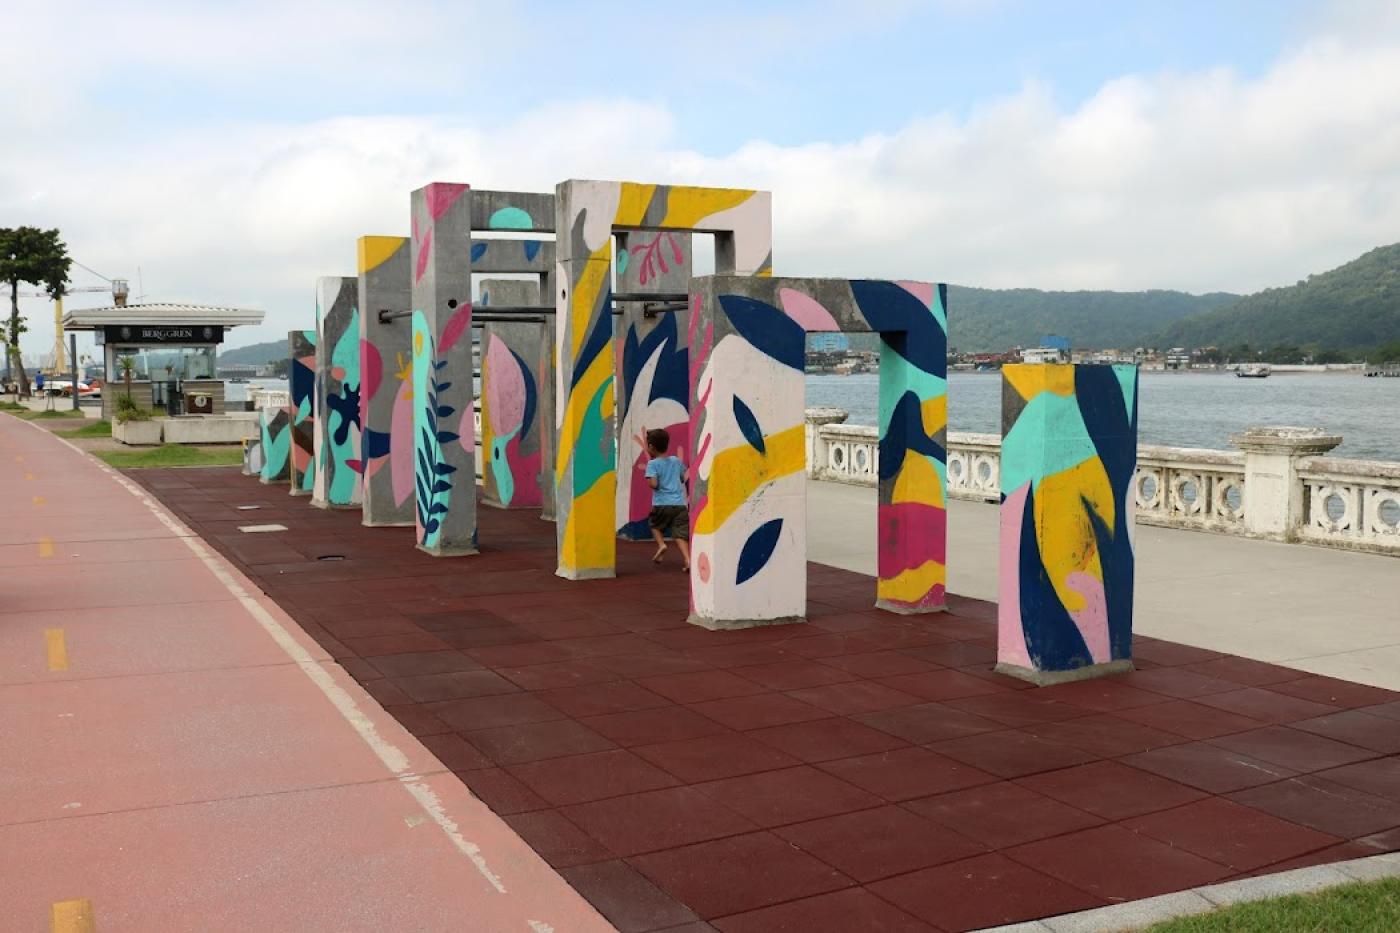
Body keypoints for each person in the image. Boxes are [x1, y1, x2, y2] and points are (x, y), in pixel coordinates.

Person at [643, 427, 691, 571]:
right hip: (680, 505)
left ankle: (661, 544)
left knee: (654, 524)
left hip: (662, 504)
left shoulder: (652, 464)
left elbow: (654, 484)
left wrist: (652, 482)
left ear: (651, 447)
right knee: (680, 534)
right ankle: (687, 559)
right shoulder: (676, 461)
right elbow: (682, 478)